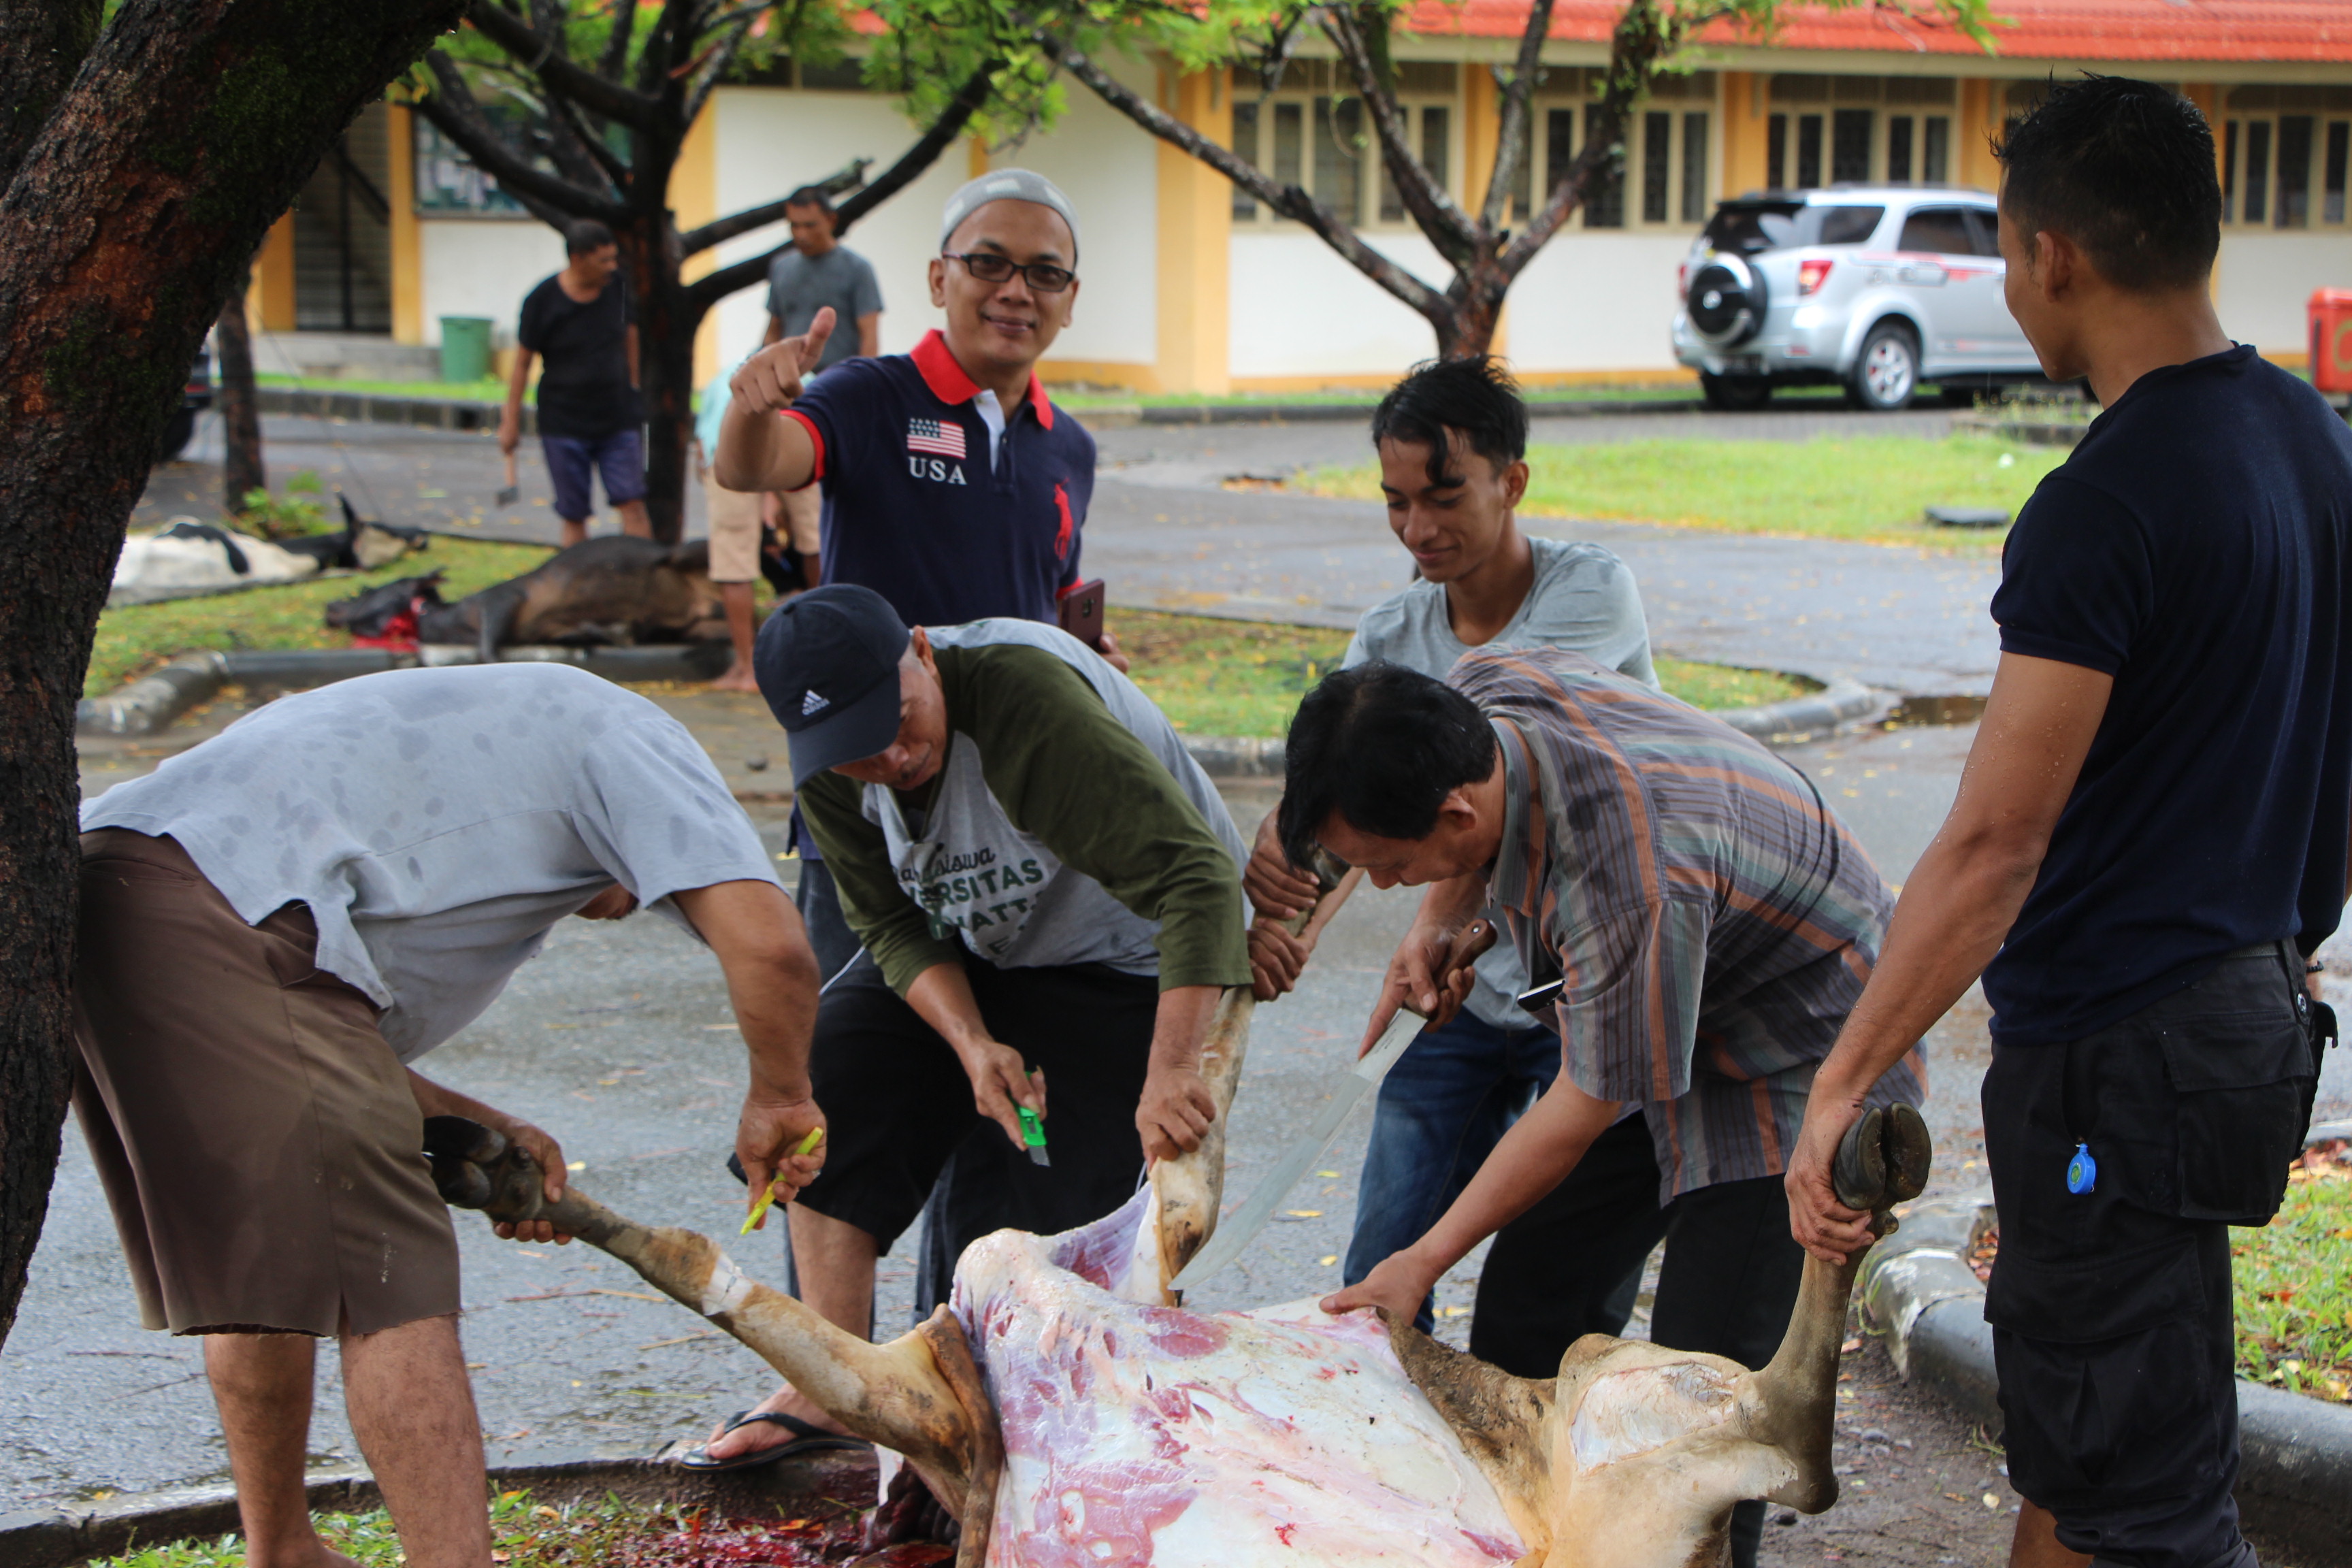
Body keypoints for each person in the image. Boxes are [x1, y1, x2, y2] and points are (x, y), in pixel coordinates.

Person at [1781, 77, 2352, 1568]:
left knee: (2147, 1504)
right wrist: (2287, 942)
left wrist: (1844, 1079)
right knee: (2086, 1427)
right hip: (2231, 1025)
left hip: (2121, 1061)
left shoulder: (2107, 498)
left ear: (2054, 259)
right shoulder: (2310, 438)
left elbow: (1993, 848)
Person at [71, 662, 828, 1568]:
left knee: (270, 1241)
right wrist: (782, 1096)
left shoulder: (487, 741)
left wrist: (460, 1117)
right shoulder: (638, 744)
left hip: (115, 887)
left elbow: (303, 1055)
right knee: (393, 1276)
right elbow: (773, 950)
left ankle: (284, 1550)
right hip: (227, 906)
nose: (611, 913)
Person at [1301, 654, 1923, 1568]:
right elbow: (1603, 1055)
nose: (1389, 886)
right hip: (1671, 997)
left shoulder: (1627, 882)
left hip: (1800, 1051)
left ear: (1456, 814)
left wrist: (1419, 1261)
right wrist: (1439, 915)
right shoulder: (1481, 695)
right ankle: (1547, 1537)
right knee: (1529, 1301)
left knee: (1709, 1406)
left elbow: (1588, 1102)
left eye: (1393, 868)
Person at [684, 584, 1249, 1468]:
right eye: (857, 752)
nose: (893, 757)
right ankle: (839, 1383)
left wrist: (1174, 1069)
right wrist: (971, 1043)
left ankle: (1005, 1420)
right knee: (830, 1076)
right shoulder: (836, 766)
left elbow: (1199, 884)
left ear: (922, 649)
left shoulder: (1027, 704)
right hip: (972, 938)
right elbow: (890, 926)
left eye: (900, 720)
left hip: (1120, 955)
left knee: (1018, 1227)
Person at [1241, 355, 1654, 1375]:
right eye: (1393, 502)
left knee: (1550, 1309)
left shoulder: (1591, 595)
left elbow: (1492, 772)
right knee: (1381, 1270)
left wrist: (1427, 926)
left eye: (1443, 494)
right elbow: (1343, 817)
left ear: (1512, 480)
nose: (1418, 527)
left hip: (1591, 996)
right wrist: (1279, 921)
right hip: (1460, 1006)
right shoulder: (1388, 635)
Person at [503, 220, 649, 549]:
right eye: (604, 261)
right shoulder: (542, 301)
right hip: (564, 421)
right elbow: (522, 364)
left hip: (617, 416)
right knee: (574, 513)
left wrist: (634, 386)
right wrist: (510, 420)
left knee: (633, 502)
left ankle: (643, 586)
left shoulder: (618, 288)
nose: (612, 267)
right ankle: (577, 591)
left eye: (614, 259)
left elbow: (631, 336)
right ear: (578, 259)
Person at [761, 186, 885, 570]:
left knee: (834, 492)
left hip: (839, 392)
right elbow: (774, 327)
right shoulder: (782, 267)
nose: (800, 234)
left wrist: (866, 391)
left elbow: (869, 334)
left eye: (810, 225)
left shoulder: (856, 269)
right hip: (793, 393)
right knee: (785, 483)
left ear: (831, 221)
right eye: (793, 226)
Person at [695, 351, 774, 692]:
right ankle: (824, 657)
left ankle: (747, 667)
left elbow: (704, 445)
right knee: (817, 543)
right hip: (800, 443)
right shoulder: (811, 377)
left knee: (733, 562)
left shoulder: (724, 377)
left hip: (728, 457)